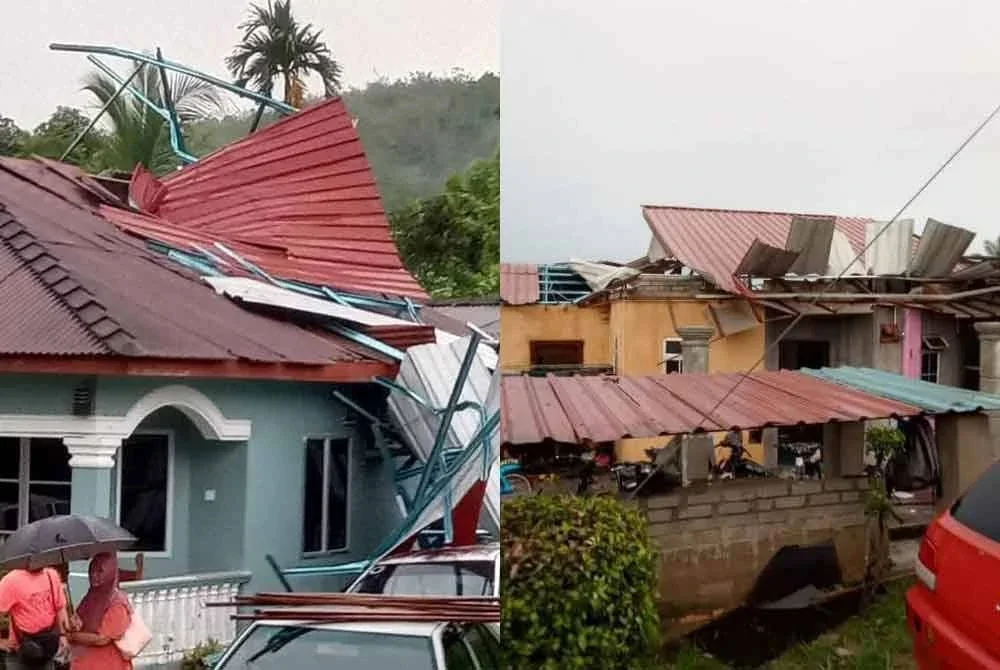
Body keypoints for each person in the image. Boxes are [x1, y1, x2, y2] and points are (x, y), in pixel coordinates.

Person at [68, 553, 132, 670]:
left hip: (109, 664)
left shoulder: (117, 603)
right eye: (91, 571)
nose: (93, 575)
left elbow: (102, 639)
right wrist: (74, 623)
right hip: (84, 661)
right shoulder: (91, 596)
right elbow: (81, 620)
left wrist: (72, 637)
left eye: (100, 572)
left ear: (110, 573)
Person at [0, 562, 69, 670]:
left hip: (48, 646)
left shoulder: (51, 575)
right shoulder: (11, 581)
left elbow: (60, 607)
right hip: (21, 651)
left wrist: (63, 636)